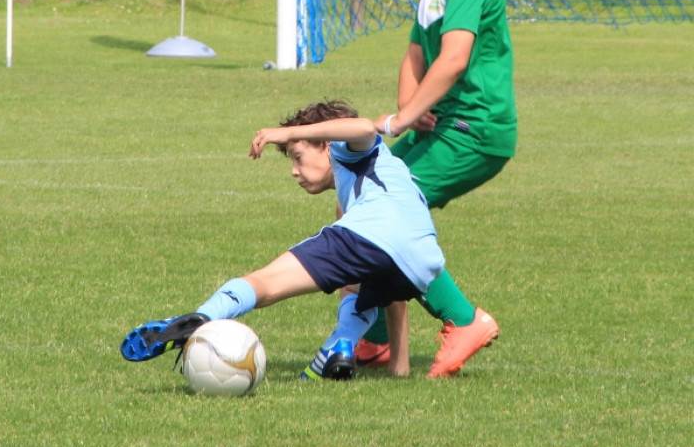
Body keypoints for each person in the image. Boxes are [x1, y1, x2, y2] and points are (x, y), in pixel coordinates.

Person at [121, 100, 492, 381]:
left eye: (298, 156)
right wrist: (400, 366)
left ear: (325, 144)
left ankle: (201, 317)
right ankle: (341, 346)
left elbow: (364, 126)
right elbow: (393, 288)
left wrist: (284, 133)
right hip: (421, 259)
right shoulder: (380, 186)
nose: (295, 171)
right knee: (362, 284)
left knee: (265, 282)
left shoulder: (351, 150)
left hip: (379, 239)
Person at [322, 0, 515, 378]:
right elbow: (415, 54)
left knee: (388, 215)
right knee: (361, 206)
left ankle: (465, 319)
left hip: (475, 129)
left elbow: (453, 58)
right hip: (444, 123)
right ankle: (377, 337)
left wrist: (403, 119)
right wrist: (412, 109)